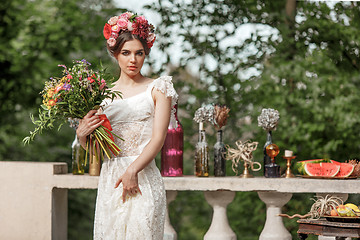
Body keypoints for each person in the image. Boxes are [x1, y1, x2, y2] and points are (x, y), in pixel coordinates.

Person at [76, 12, 178, 239]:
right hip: (110, 179)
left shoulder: (159, 88)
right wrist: (83, 137)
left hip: (142, 176)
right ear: (115, 54)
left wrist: (132, 170)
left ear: (146, 54)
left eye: (139, 53)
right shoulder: (102, 97)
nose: (133, 60)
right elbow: (99, 151)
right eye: (126, 53)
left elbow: (159, 138)